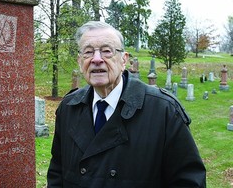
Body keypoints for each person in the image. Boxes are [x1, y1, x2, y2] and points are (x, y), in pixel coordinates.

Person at [47, 21, 206, 187]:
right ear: (80, 62)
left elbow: (189, 181)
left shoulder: (164, 110)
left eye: (106, 51)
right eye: (88, 52)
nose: (96, 59)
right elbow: (57, 173)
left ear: (124, 60)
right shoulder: (68, 107)